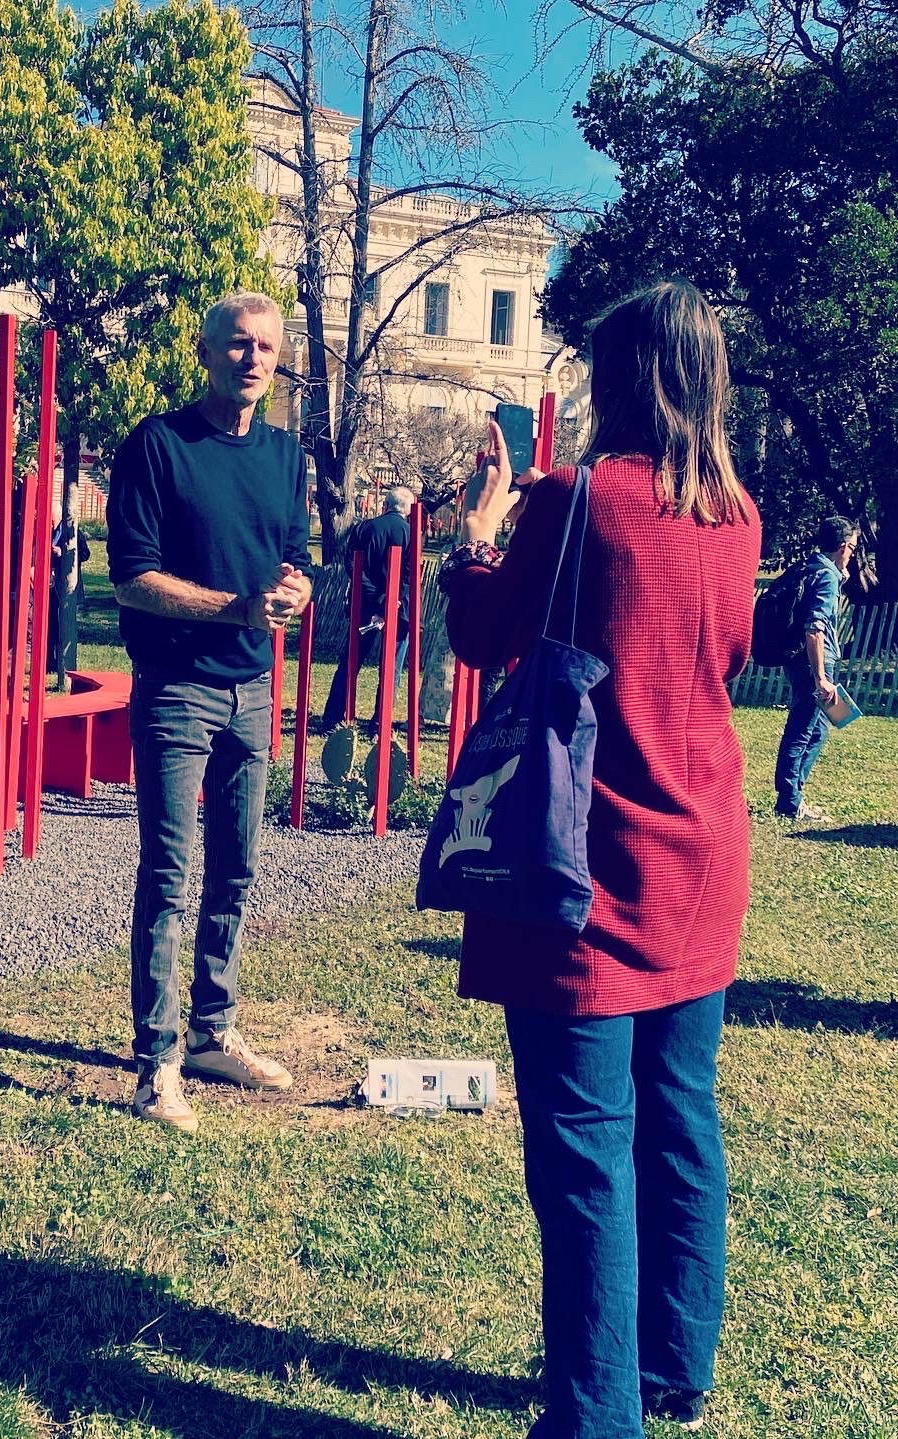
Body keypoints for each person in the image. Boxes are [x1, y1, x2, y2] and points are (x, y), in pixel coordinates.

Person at [439, 280, 761, 1438]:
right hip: (702, 853)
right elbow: (725, 654)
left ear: (622, 377)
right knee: (680, 1116)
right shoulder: (739, 511)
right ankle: (674, 1363)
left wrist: (477, 535)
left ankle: (594, 1417)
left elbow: (483, 633)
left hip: (588, 861)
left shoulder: (579, 498)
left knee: (585, 1155)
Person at [107, 290, 313, 1133]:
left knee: (236, 868)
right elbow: (131, 579)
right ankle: (156, 1062)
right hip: (176, 689)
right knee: (168, 873)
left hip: (252, 689)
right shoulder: (158, 445)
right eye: (237, 344)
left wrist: (296, 588)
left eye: (265, 346)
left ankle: (211, 1029)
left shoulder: (286, 454)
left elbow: (294, 555)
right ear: (204, 352)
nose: (252, 358)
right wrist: (237, 609)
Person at [773, 514, 859, 820]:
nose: (853, 554)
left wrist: (841, 574)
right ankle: (789, 803)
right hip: (814, 663)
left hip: (798, 660)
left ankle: (793, 795)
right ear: (843, 546)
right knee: (803, 728)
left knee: (819, 729)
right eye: (852, 548)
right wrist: (821, 676)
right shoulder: (826, 576)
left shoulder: (809, 567)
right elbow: (814, 628)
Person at [317, 484, 414, 733]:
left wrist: (376, 599)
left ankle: (332, 719)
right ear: (408, 510)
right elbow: (409, 575)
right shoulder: (411, 533)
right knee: (391, 668)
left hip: (365, 606)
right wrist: (391, 600)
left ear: (385, 505)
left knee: (351, 662)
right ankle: (379, 724)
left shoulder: (364, 528)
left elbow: (353, 567)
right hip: (398, 608)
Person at [49, 499, 91, 673]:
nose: (50, 521)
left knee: (64, 624)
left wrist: (63, 553)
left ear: (59, 515)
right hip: (50, 586)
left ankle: (64, 663)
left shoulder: (72, 532)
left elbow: (85, 554)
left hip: (67, 585)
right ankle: (50, 662)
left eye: (51, 517)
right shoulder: (48, 531)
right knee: (50, 624)